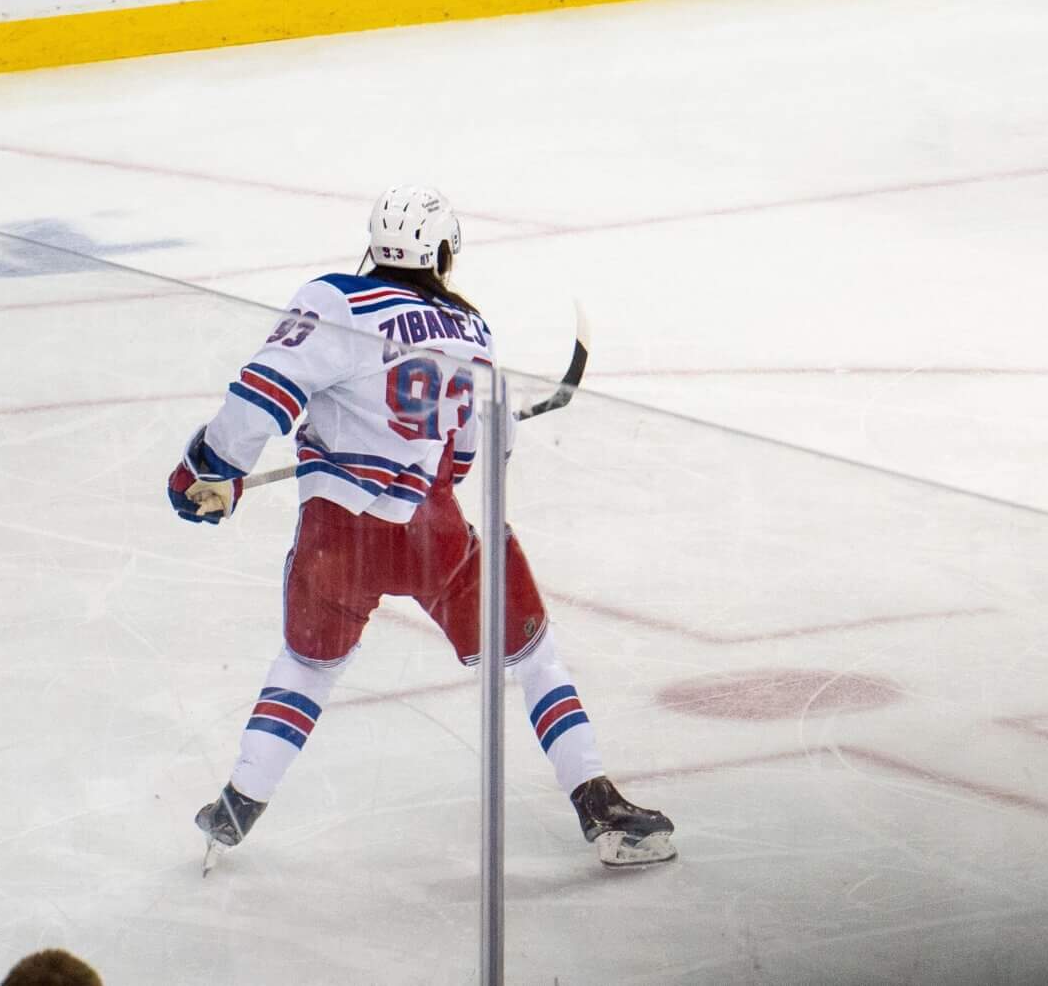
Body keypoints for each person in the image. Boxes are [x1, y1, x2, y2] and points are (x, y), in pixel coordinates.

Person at [167, 187, 678, 869]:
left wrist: (211, 464)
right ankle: (597, 800)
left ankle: (237, 804)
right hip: (435, 533)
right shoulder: (473, 331)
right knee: (532, 657)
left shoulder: (338, 299)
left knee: (307, 666)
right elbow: (473, 456)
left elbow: (265, 388)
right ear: (441, 252)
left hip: (335, 536)